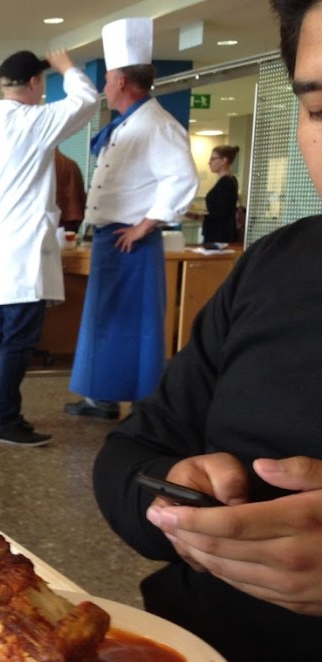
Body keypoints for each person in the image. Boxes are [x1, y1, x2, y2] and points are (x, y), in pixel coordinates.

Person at [91, 2, 322, 662]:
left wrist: (148, 223)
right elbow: (131, 454)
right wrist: (172, 500)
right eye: (321, 109)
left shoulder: (157, 127)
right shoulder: (274, 269)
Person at [65, 17, 198, 421]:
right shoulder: (127, 123)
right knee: (106, 320)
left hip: (131, 241)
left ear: (121, 81)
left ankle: (142, 403)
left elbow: (182, 178)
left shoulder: (156, 123)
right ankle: (102, 399)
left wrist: (146, 224)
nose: (104, 87)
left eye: (107, 80)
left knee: (134, 323)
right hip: (112, 238)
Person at [0, 50, 98, 447]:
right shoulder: (31, 121)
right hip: (21, 252)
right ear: (36, 83)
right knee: (18, 340)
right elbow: (87, 101)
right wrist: (67, 68)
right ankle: (6, 420)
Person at [202, 144, 240, 244]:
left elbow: (221, 213)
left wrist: (199, 216)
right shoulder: (229, 181)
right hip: (220, 233)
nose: (209, 162)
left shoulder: (226, 183)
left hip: (220, 235)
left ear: (224, 160)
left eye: (213, 159)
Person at [54, 148, 86, 233]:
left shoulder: (43, 166)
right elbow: (82, 197)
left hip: (53, 221)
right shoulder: (72, 164)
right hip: (72, 220)